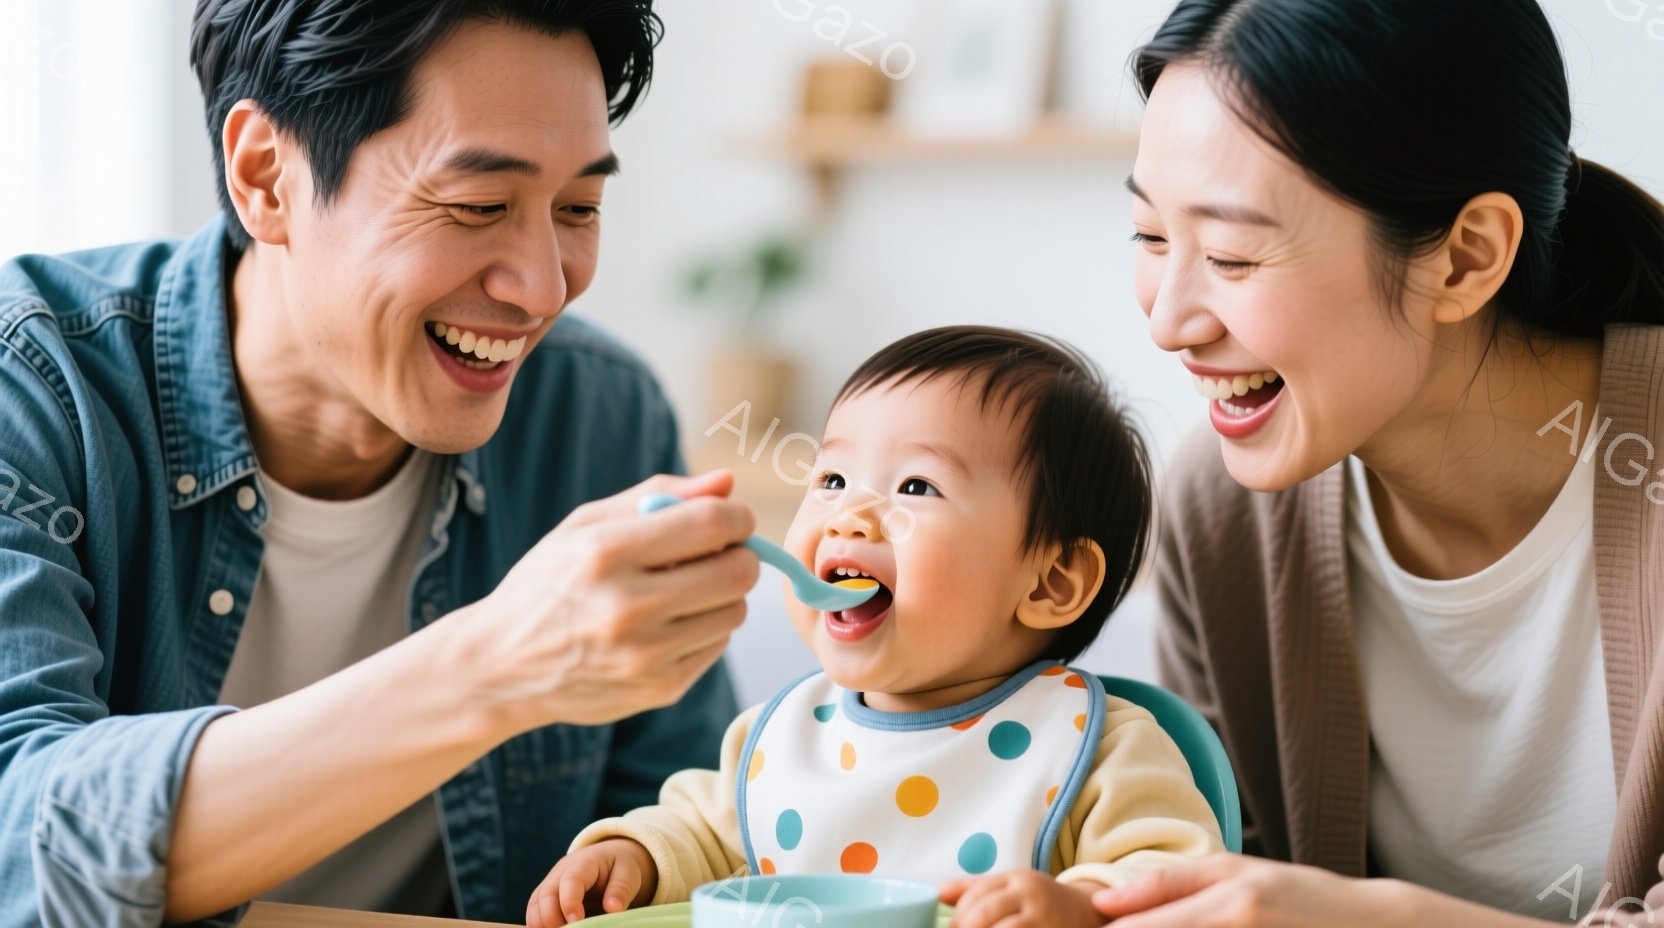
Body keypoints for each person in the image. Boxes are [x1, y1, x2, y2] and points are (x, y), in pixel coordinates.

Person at [0, 2, 762, 925]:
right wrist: (493, 664)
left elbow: (704, 839)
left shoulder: (597, 416)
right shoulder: (35, 389)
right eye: (478, 205)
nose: (542, 287)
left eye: (578, 209)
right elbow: (20, 840)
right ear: (267, 176)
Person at [1089, 1, 1664, 926]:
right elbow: (1220, 876)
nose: (1167, 324)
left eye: (1232, 255)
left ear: (1468, 258)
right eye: (1154, 238)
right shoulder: (1221, 508)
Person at [529, 327, 1226, 928]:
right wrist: (633, 859)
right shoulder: (777, 738)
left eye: (915, 487)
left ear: (1050, 582)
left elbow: (1183, 889)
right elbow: (699, 838)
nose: (848, 515)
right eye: (831, 478)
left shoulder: (1100, 751)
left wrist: (1082, 908)